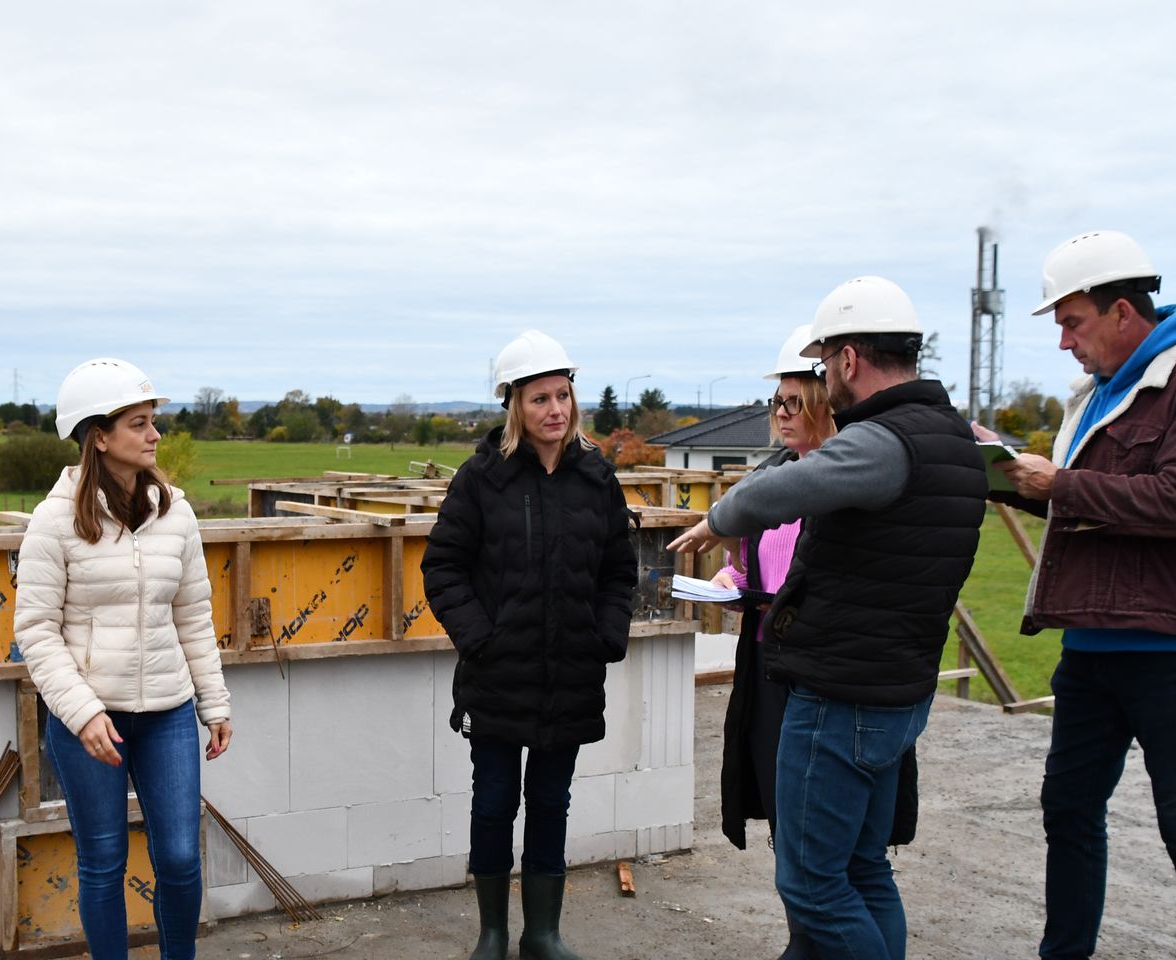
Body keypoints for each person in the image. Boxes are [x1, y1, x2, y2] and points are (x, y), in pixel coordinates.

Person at [669, 277, 987, 960]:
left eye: (823, 365)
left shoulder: (883, 441)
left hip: (843, 693)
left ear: (848, 358)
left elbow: (782, 488)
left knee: (813, 885)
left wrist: (720, 516)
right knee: (863, 868)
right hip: (899, 686)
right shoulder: (954, 438)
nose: (823, 380)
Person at [979, 230, 1176, 960]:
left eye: (1072, 323)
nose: (1064, 343)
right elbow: (1088, 501)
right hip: (1090, 645)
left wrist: (1063, 483)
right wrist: (1010, 477)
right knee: (1069, 810)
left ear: (1122, 312)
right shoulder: (1098, 392)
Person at [420, 331, 637, 960]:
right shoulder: (482, 479)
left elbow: (619, 570)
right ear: (514, 404)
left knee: (550, 803)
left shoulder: (596, 478)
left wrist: (605, 635)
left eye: (563, 396)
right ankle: (492, 933)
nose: (555, 410)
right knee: (493, 803)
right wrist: (480, 640)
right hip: (497, 678)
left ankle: (542, 934)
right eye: (540, 398)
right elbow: (443, 567)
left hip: (570, 676)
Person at [14, 358, 232, 960]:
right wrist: (83, 712)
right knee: (104, 859)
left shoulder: (176, 513)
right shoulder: (54, 520)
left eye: (153, 420)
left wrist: (214, 703)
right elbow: (36, 630)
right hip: (88, 723)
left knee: (181, 859)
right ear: (99, 437)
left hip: (168, 714)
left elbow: (193, 616)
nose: (155, 435)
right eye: (139, 423)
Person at [713, 324, 835, 959]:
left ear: (826, 402)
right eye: (777, 402)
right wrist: (728, 583)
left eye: (795, 401)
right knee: (784, 812)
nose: (782, 414)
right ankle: (802, 939)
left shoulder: (844, 482)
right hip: (766, 663)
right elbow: (752, 566)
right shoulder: (774, 476)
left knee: (818, 819)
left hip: (814, 669)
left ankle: (818, 941)